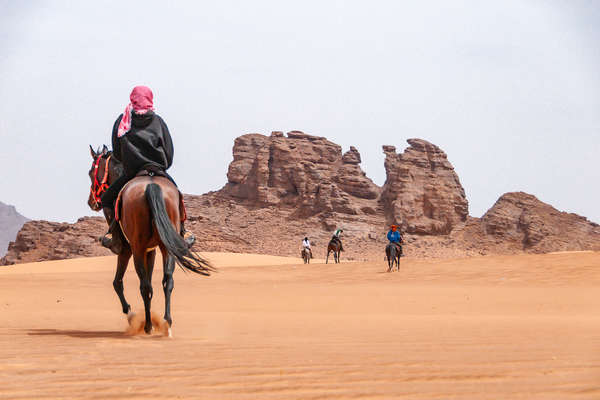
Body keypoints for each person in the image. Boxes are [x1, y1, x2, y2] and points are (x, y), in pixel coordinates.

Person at [99, 86, 194, 254]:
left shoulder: (123, 120)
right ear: (150, 99)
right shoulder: (158, 121)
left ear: (132, 99)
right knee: (176, 196)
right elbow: (169, 151)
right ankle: (182, 231)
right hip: (158, 170)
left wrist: (128, 162)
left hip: (133, 173)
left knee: (106, 200)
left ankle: (115, 235)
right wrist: (162, 165)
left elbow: (117, 151)